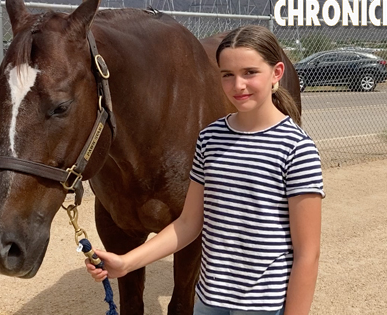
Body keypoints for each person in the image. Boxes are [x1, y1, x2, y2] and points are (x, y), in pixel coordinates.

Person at [86, 25, 325, 315]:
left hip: (263, 306)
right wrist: (126, 263)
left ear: (276, 73)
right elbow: (188, 224)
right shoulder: (209, 138)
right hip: (209, 303)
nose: (238, 85)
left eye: (250, 72)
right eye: (227, 75)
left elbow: (307, 254)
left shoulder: (297, 149)